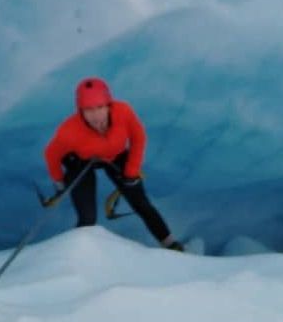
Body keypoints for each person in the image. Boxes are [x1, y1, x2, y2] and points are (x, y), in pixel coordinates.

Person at [44, 77, 184, 251]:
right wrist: (59, 183)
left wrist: (131, 171)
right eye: (88, 109)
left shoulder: (123, 112)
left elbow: (138, 137)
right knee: (87, 218)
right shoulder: (69, 130)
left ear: (109, 105)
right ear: (80, 110)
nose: (96, 115)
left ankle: (170, 243)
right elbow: (51, 154)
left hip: (115, 155)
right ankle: (78, 258)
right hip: (81, 162)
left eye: (100, 107)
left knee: (141, 203)